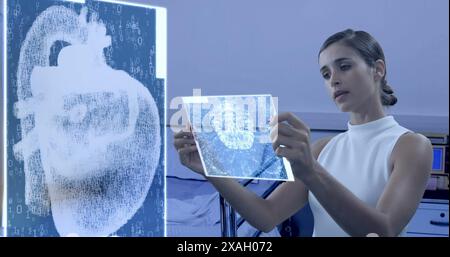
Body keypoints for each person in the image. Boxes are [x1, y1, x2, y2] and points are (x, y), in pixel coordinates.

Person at [173, 29, 432, 237]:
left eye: (344, 66)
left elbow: (383, 231)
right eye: (326, 73)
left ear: (378, 69)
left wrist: (310, 171)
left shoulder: (411, 146)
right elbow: (266, 216)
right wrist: (211, 168)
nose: (334, 80)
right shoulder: (322, 149)